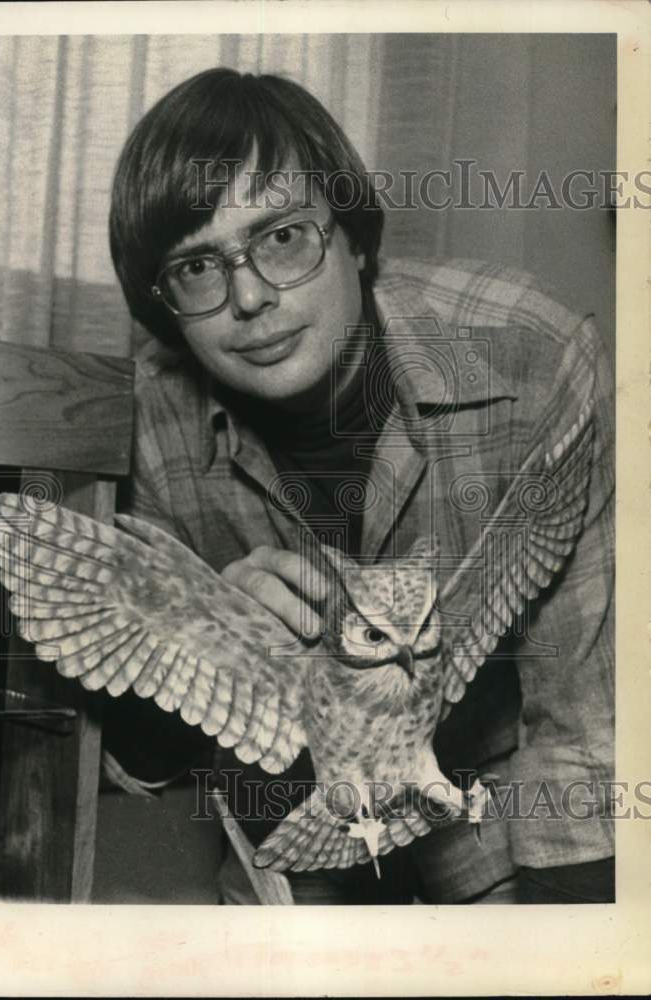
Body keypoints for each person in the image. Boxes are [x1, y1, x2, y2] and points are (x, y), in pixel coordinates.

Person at [102, 67, 615, 905]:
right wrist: (193, 633)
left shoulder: (532, 355)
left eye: (283, 238)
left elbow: (593, 724)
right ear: (164, 304)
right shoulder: (148, 423)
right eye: (198, 266)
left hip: (510, 833)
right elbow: (142, 759)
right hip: (301, 853)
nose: (251, 296)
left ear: (355, 235)